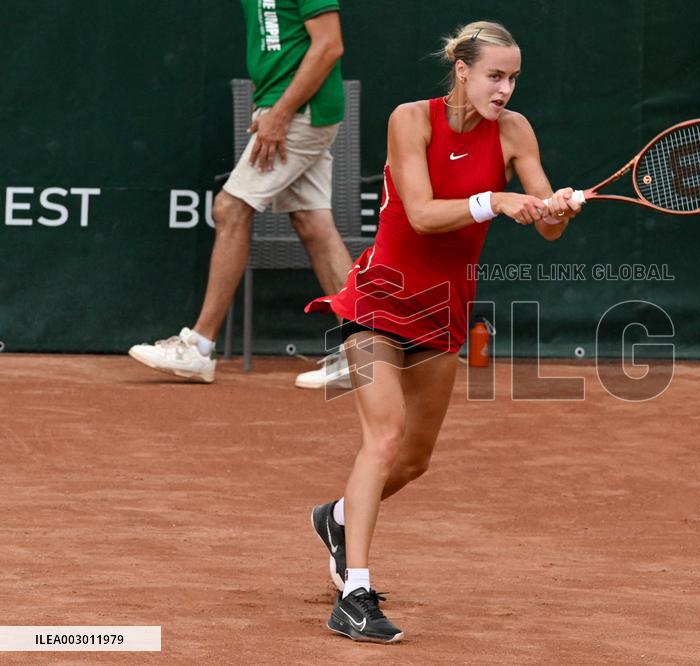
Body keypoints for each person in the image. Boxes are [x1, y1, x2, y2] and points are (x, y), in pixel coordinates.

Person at [305, 20, 581, 643]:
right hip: (378, 296)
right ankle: (354, 595)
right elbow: (425, 213)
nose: (505, 89)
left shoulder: (515, 132)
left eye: (512, 78)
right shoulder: (412, 119)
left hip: (444, 310)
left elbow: (546, 226)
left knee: (414, 460)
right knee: (385, 435)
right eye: (494, 75)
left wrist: (556, 207)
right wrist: (499, 201)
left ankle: (338, 518)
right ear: (462, 69)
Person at [128, 0, 354, 388]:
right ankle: (363, 354)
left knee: (230, 208)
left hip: (300, 112)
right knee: (314, 225)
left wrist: (280, 112)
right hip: (286, 107)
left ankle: (198, 347)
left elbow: (329, 45)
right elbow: (277, 43)